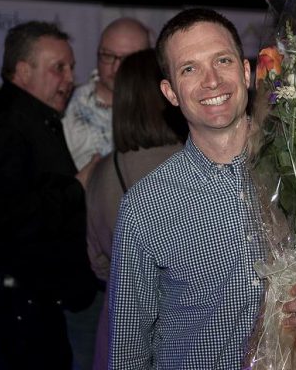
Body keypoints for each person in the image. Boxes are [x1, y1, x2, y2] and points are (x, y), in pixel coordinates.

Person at [108, 8, 296, 369]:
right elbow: (127, 350)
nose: (211, 80)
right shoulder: (145, 205)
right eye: (189, 69)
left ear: (247, 72)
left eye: (222, 60)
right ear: (170, 93)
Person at [0, 21, 99, 369]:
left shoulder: (27, 117)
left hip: (22, 306)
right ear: (22, 70)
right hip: (7, 312)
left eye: (71, 67)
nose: (68, 78)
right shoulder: (3, 124)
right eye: (58, 68)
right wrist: (77, 186)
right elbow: (2, 218)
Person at [86, 48, 186, 370]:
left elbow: (98, 263)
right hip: (184, 330)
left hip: (121, 331)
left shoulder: (101, 172)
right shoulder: (198, 164)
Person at [63, 17, 151, 170]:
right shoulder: (68, 105)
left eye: (127, 59)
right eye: (108, 56)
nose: (116, 68)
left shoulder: (161, 109)